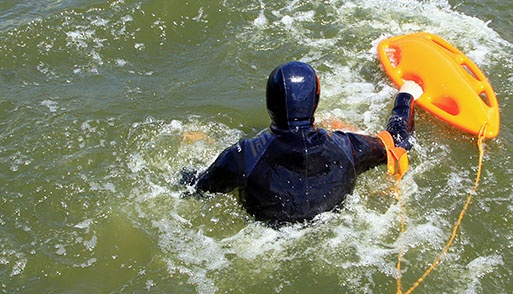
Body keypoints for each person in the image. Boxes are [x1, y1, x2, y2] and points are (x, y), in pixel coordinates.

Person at [181, 61, 422, 225]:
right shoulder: (348, 146)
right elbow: (400, 140)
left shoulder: (242, 156)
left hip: (265, 235)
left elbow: (194, 190)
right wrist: (405, 96)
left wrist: (194, 155)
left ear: (270, 103)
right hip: (333, 223)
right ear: (315, 102)